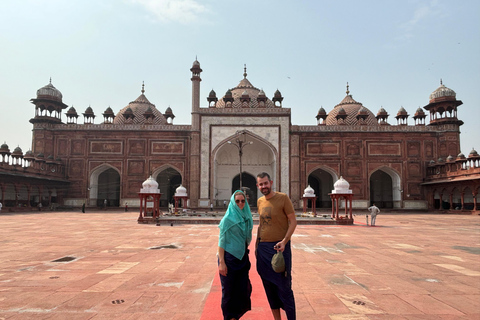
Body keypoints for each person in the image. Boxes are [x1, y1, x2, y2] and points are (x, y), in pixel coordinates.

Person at [256, 172, 297, 320]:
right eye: (261, 184)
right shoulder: (260, 201)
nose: (263, 186)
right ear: (257, 185)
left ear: (271, 182)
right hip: (263, 249)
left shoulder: (283, 198)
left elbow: (293, 221)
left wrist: (285, 241)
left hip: (280, 248)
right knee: (269, 287)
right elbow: (261, 225)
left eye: (265, 183)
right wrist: (256, 247)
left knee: (284, 287)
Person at [218, 190, 253, 320]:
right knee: (228, 292)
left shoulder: (246, 217)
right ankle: (229, 317)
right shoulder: (228, 219)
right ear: (233, 202)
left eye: (243, 201)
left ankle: (235, 317)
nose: (240, 204)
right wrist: (221, 262)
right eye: (237, 201)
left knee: (242, 289)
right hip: (229, 259)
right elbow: (221, 241)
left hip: (242, 258)